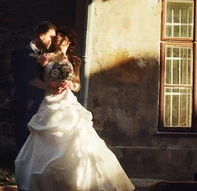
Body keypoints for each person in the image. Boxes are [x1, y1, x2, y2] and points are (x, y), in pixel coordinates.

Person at [15, 26, 134, 191]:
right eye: (57, 35)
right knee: (51, 135)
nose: (58, 38)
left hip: (68, 100)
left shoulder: (75, 60)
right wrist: (49, 82)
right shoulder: (46, 56)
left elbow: (77, 85)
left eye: (62, 36)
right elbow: (33, 78)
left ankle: (82, 180)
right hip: (50, 99)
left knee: (78, 137)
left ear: (68, 40)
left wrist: (69, 83)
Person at [11, 21, 64, 150]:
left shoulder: (45, 54)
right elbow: (25, 78)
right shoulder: (20, 52)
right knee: (24, 135)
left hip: (41, 101)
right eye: (51, 37)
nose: (53, 41)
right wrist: (50, 87)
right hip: (24, 101)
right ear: (41, 35)